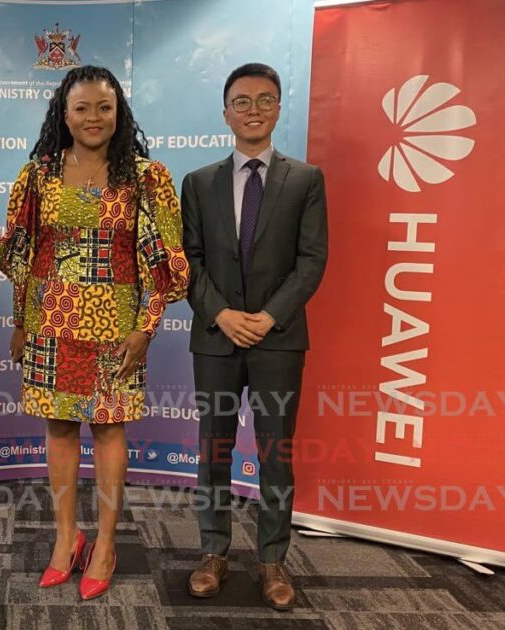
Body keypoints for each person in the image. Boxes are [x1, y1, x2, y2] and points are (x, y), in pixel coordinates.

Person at [0, 65, 189, 600]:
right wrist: (18, 323)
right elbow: (22, 255)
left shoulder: (147, 177)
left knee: (107, 430)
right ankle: (66, 538)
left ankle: (104, 543)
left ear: (119, 112)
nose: (93, 118)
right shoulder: (38, 174)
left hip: (116, 327)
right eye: (81, 108)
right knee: (59, 428)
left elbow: (162, 264)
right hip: (50, 320)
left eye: (104, 107)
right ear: (64, 114)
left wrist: (145, 330)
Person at [181, 62, 327, 611]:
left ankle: (272, 560)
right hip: (216, 339)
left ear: (279, 108)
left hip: (279, 339)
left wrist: (269, 317)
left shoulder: (306, 180)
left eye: (265, 100)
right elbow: (188, 262)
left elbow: (312, 260)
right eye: (242, 101)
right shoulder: (197, 183)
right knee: (214, 449)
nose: (253, 110)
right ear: (225, 113)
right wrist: (221, 314)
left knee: (275, 453)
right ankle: (213, 552)